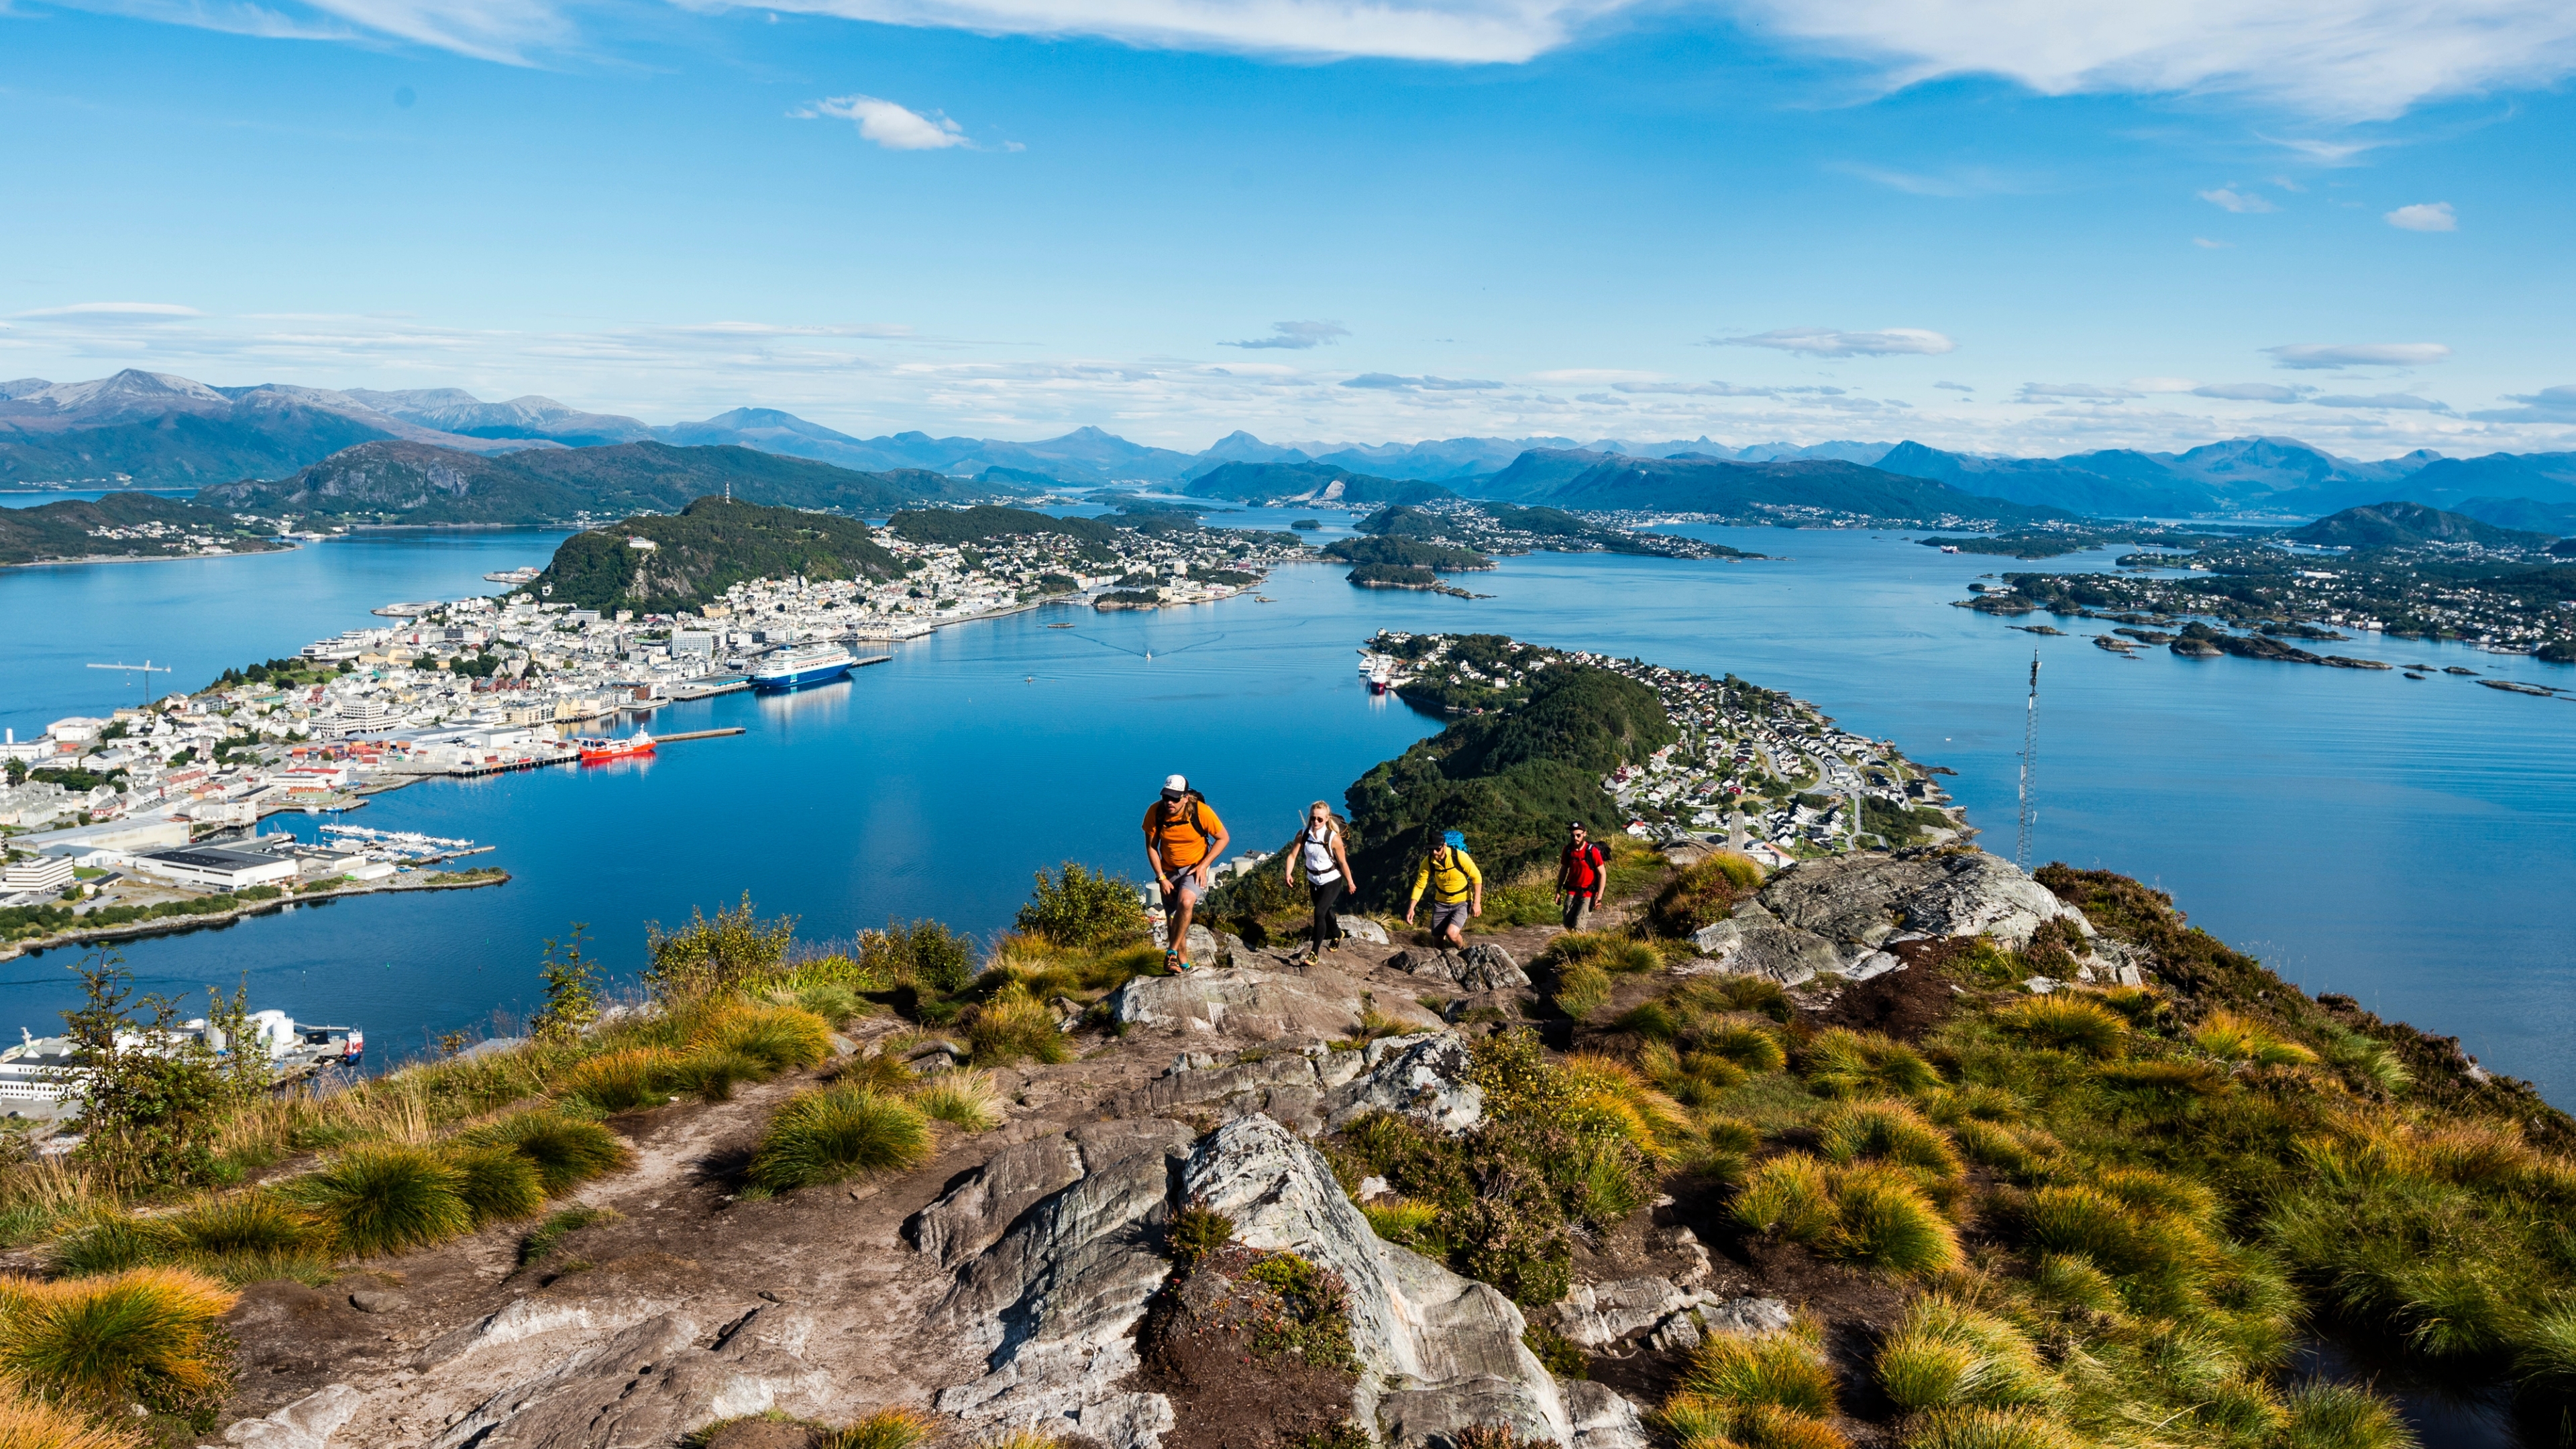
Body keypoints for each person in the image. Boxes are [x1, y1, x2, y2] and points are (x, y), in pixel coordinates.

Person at [1142, 774, 1229, 972]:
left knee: (1186, 903)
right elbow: (1151, 847)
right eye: (1166, 797)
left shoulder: (1201, 812)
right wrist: (1161, 878)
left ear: (1186, 797)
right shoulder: (1155, 812)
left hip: (1193, 869)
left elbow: (1223, 838)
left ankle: (1170, 953)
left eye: (1174, 798)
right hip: (1168, 871)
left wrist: (1204, 865)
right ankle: (1182, 964)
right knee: (1173, 919)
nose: (1169, 802)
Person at [1281, 800, 1356, 964]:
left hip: (1332, 879)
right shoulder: (1303, 834)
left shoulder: (1333, 838)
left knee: (1319, 912)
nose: (1316, 822)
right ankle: (1337, 934)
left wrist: (1350, 881)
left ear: (1327, 819)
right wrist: (1288, 873)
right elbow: (1292, 855)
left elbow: (1343, 863)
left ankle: (1314, 953)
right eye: (1313, 818)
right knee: (1325, 910)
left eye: (1320, 819)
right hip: (1313, 879)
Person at [1405, 829, 1482, 949]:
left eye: (1437, 849)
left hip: (1462, 901)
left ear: (1444, 845)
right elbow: (1420, 885)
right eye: (1431, 849)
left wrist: (1477, 903)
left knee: (1452, 934)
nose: (1435, 852)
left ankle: (1462, 950)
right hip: (1441, 903)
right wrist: (1411, 908)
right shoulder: (1428, 862)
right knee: (1437, 940)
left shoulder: (1459, 857)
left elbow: (1476, 877)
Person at [1557, 821, 1608, 931]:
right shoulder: (1568, 850)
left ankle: (1580, 948)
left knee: (1579, 927)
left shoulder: (1592, 851)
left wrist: (1599, 897)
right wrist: (1558, 892)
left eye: (1578, 835)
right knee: (1568, 924)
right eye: (1573, 835)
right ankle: (1574, 945)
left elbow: (1602, 874)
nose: (1575, 838)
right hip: (1572, 891)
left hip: (1588, 894)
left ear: (1585, 834)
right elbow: (1563, 870)